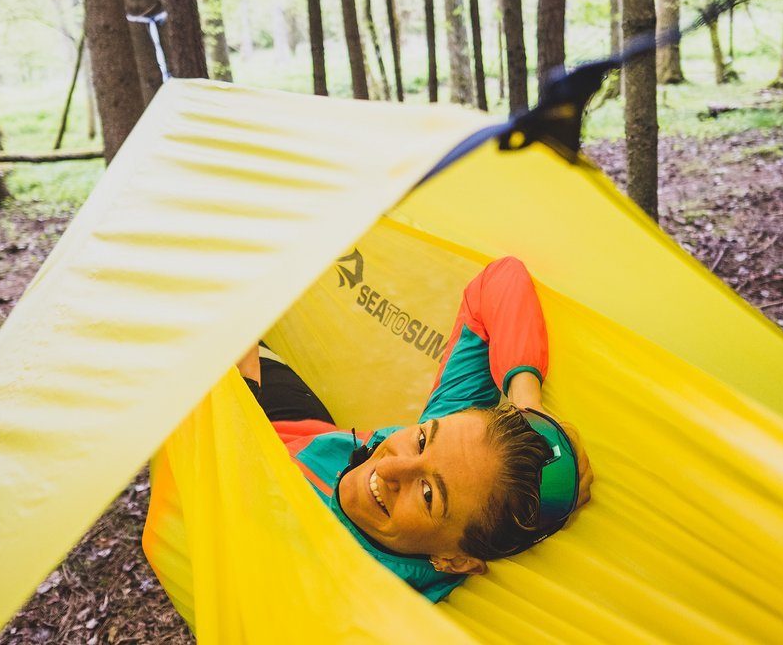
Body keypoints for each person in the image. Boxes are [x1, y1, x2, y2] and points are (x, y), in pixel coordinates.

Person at [238, 257, 592, 602]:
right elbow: (500, 280)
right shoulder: (458, 454)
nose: (389, 467)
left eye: (427, 495)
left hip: (230, 455)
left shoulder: (351, 591)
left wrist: (237, 397)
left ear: (454, 562)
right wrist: (526, 402)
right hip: (291, 424)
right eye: (422, 439)